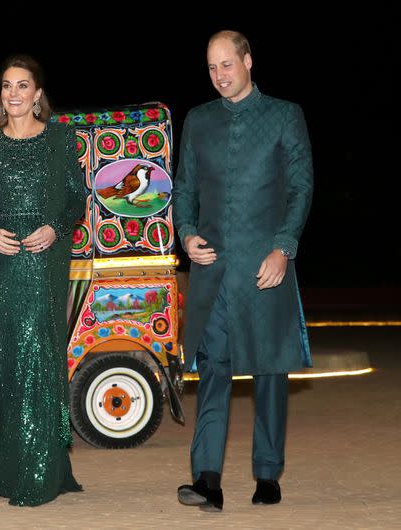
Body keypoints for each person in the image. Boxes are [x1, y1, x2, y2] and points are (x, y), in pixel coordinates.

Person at [172, 30, 314, 511]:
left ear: (249, 61)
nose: (219, 76)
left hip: (264, 269)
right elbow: (183, 190)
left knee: (270, 370)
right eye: (211, 67)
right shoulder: (198, 120)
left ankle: (268, 473)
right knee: (214, 370)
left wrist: (283, 248)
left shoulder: (284, 115)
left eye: (227, 65)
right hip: (213, 274)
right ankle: (207, 479)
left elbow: (301, 187)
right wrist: (188, 234)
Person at [0, 55, 86, 506]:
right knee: (4, 360)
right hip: (3, 260)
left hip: (44, 255)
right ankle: (12, 464)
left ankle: (37, 474)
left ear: (37, 94)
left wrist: (55, 227)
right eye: (6, 86)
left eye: (22, 86)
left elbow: (77, 197)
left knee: (36, 353)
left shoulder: (59, 138)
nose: (13, 94)